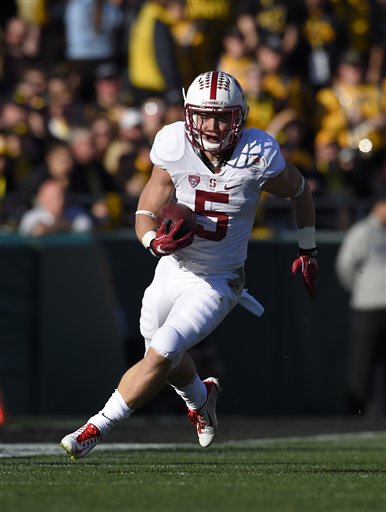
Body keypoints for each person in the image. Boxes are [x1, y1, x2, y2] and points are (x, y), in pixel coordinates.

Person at [60, 71, 317, 460]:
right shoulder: (173, 143)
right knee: (160, 350)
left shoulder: (259, 153)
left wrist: (308, 248)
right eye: (204, 115)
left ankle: (94, 428)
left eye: (223, 116)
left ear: (240, 117)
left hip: (219, 280)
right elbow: (146, 208)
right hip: (173, 268)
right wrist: (153, 242)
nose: (212, 126)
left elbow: (300, 190)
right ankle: (201, 398)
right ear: (188, 114)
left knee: (162, 351)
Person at [335, 197, 386, 415]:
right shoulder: (363, 231)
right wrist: (363, 289)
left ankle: (380, 410)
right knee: (362, 362)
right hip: (366, 308)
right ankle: (354, 411)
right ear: (378, 206)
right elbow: (345, 267)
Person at [18, 179, 93, 236]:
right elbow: (36, 231)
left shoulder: (77, 213)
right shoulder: (31, 216)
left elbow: (85, 228)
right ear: (42, 199)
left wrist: (50, 228)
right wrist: (64, 225)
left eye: (60, 196)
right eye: (52, 197)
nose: (58, 200)